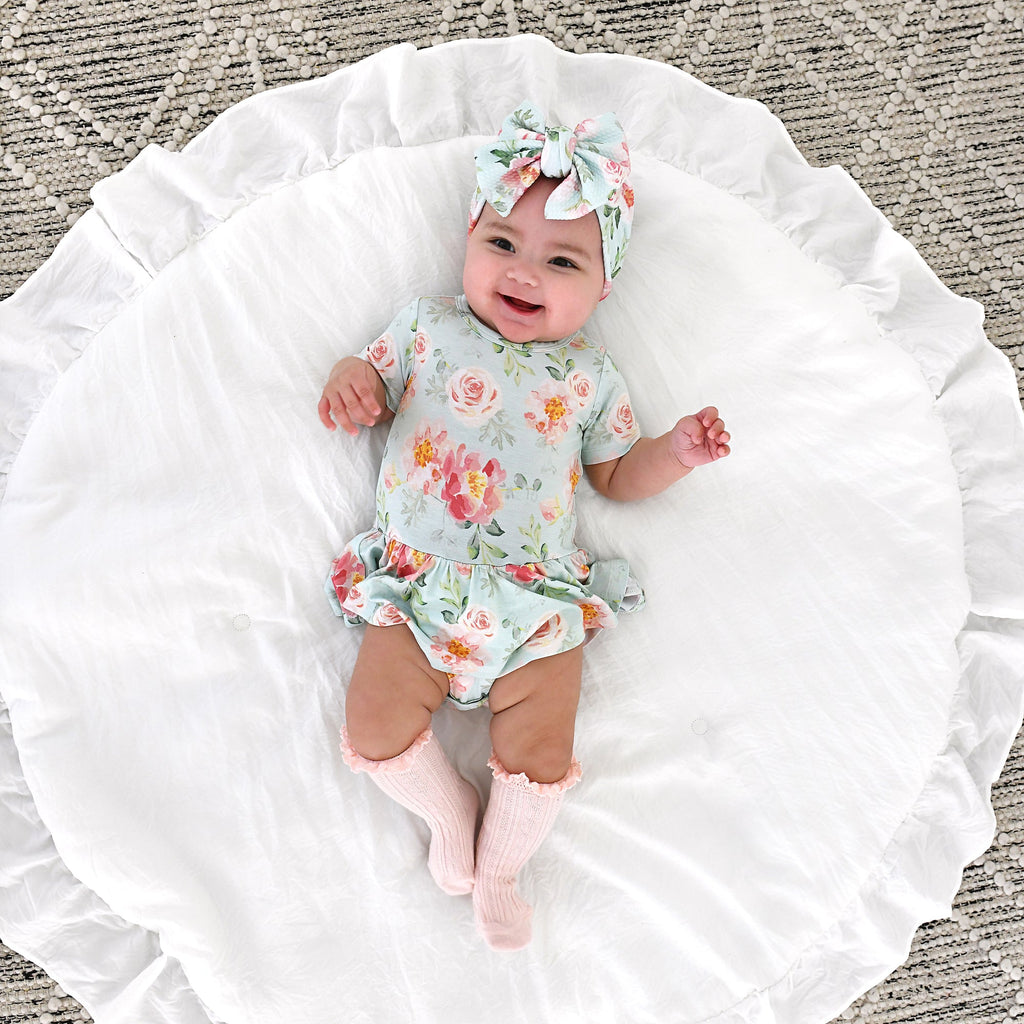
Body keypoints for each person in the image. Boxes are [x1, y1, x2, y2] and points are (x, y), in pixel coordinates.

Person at [318, 101, 730, 951]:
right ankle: (449, 815)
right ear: (469, 238)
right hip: (416, 590)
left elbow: (617, 475)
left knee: (542, 744)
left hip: (534, 605)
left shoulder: (589, 376)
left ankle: (501, 870)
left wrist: (676, 454)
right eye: (503, 243)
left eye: (562, 260)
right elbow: (373, 381)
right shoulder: (427, 328)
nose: (525, 273)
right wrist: (351, 378)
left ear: (603, 286)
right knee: (372, 722)